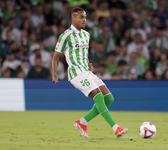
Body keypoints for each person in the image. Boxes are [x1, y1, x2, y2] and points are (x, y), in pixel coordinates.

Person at [52, 8, 128, 138]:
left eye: (85, 17)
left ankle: (82, 122)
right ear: (73, 18)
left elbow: (83, 53)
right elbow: (56, 56)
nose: (84, 20)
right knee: (98, 96)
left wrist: (88, 64)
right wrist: (54, 74)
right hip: (75, 73)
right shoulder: (66, 35)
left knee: (109, 98)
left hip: (86, 71)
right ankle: (116, 128)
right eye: (81, 17)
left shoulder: (86, 35)